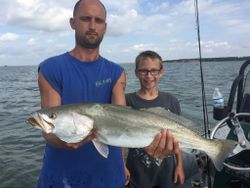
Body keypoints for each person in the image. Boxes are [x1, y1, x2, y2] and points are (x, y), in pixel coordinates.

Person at [37, 0, 180, 187]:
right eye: (85, 19)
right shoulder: (51, 68)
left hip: (110, 176)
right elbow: (48, 130)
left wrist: (123, 164)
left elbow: (121, 121)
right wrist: (66, 142)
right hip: (60, 178)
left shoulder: (116, 72)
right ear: (73, 23)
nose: (92, 26)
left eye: (98, 20)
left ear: (105, 27)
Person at [126, 50, 185, 188]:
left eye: (154, 71)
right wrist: (122, 166)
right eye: (143, 71)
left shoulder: (171, 101)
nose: (149, 76)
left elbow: (179, 138)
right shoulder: (127, 101)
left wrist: (180, 166)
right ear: (136, 72)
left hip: (166, 171)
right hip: (137, 172)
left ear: (161, 72)